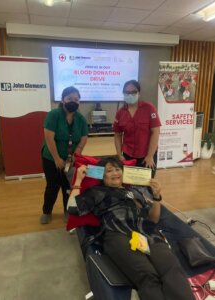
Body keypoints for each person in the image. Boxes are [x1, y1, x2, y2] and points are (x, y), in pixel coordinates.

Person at [67, 157, 194, 300]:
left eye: (117, 169)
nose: (115, 173)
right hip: (117, 233)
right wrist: (78, 180)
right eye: (109, 170)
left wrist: (157, 197)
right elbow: (72, 208)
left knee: (172, 269)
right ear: (102, 175)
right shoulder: (96, 191)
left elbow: (153, 219)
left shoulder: (134, 192)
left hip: (147, 232)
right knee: (147, 275)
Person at [40, 86, 88, 224]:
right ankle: (47, 211)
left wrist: (77, 152)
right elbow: (49, 138)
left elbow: (84, 137)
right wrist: (57, 159)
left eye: (76, 99)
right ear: (63, 100)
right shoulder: (54, 114)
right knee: (52, 185)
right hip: (51, 157)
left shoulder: (80, 118)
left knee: (68, 186)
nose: (73, 101)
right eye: (69, 99)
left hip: (70, 159)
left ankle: (67, 211)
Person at [113, 80, 161, 177]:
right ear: (123, 94)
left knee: (146, 185)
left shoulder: (149, 108)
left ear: (139, 93)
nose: (130, 94)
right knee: (129, 184)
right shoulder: (120, 113)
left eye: (133, 92)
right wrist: (119, 154)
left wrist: (150, 155)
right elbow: (117, 135)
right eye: (127, 92)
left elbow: (155, 132)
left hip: (147, 156)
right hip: (128, 155)